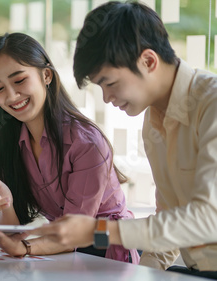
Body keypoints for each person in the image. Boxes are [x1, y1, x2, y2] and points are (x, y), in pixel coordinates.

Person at [26, 2, 217, 279]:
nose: (106, 97)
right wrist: (138, 275)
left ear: (148, 61)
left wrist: (99, 231)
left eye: (110, 83)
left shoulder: (210, 104)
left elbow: (208, 219)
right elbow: (170, 222)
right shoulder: (153, 124)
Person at [0, 32, 139, 263]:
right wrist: (5, 204)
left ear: (46, 75)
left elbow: (73, 233)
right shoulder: (13, 141)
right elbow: (11, 235)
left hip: (107, 252)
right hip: (66, 254)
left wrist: (25, 248)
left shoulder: (86, 143)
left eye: (19, 81)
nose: (11, 95)